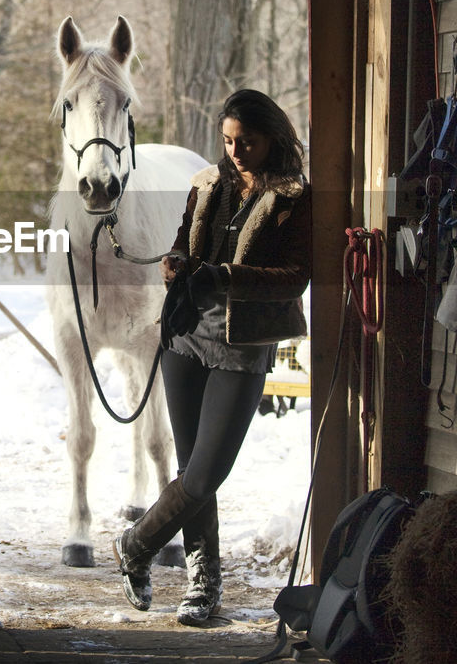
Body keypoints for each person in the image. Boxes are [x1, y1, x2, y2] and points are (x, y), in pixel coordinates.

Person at [113, 88, 312, 625]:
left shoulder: (293, 196)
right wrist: (176, 264)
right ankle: (203, 583)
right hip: (185, 337)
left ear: (273, 137)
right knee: (189, 468)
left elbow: (296, 277)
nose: (235, 151)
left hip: (243, 346)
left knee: (204, 475)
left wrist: (227, 278)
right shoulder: (205, 185)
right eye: (227, 141)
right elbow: (182, 244)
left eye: (246, 141)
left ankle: (135, 545)